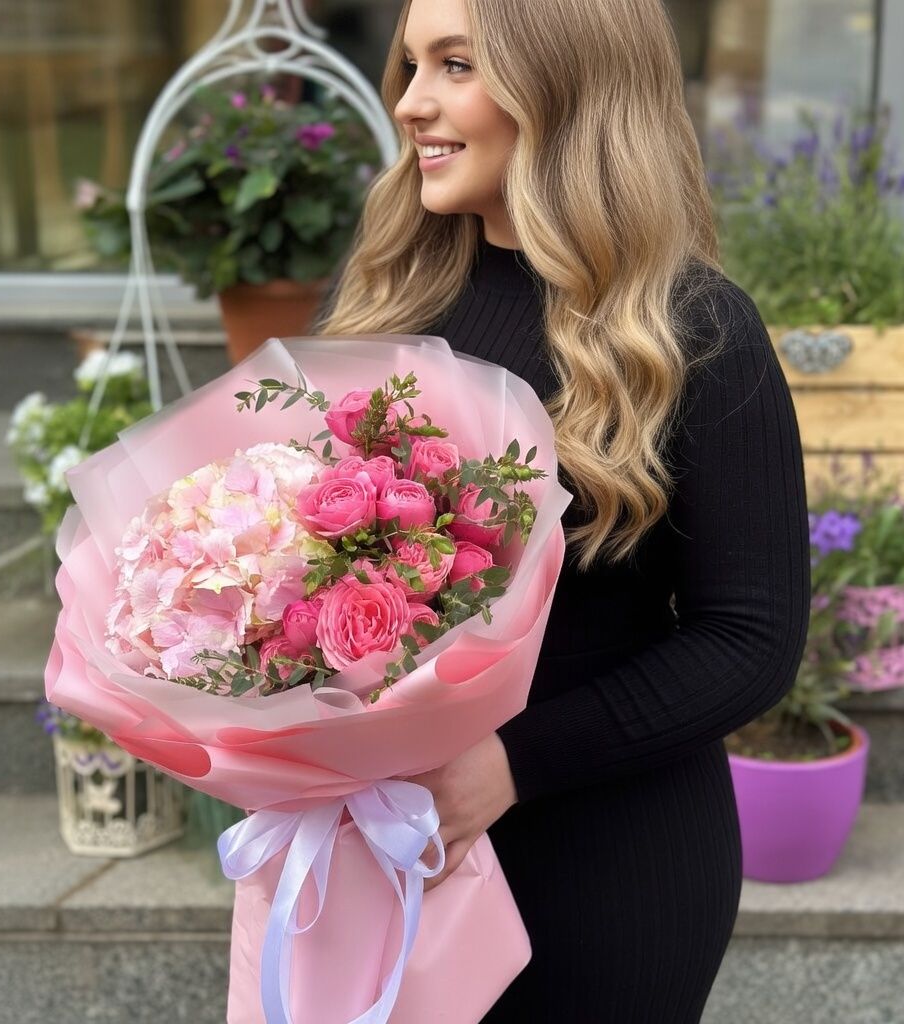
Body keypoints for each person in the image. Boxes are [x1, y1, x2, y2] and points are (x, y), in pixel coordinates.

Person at [314, 0, 811, 1019]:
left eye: (456, 65)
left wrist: (511, 764)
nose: (410, 103)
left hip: (604, 866)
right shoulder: (387, 300)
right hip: (384, 843)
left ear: (565, 83)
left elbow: (750, 640)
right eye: (411, 65)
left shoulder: (691, 330)